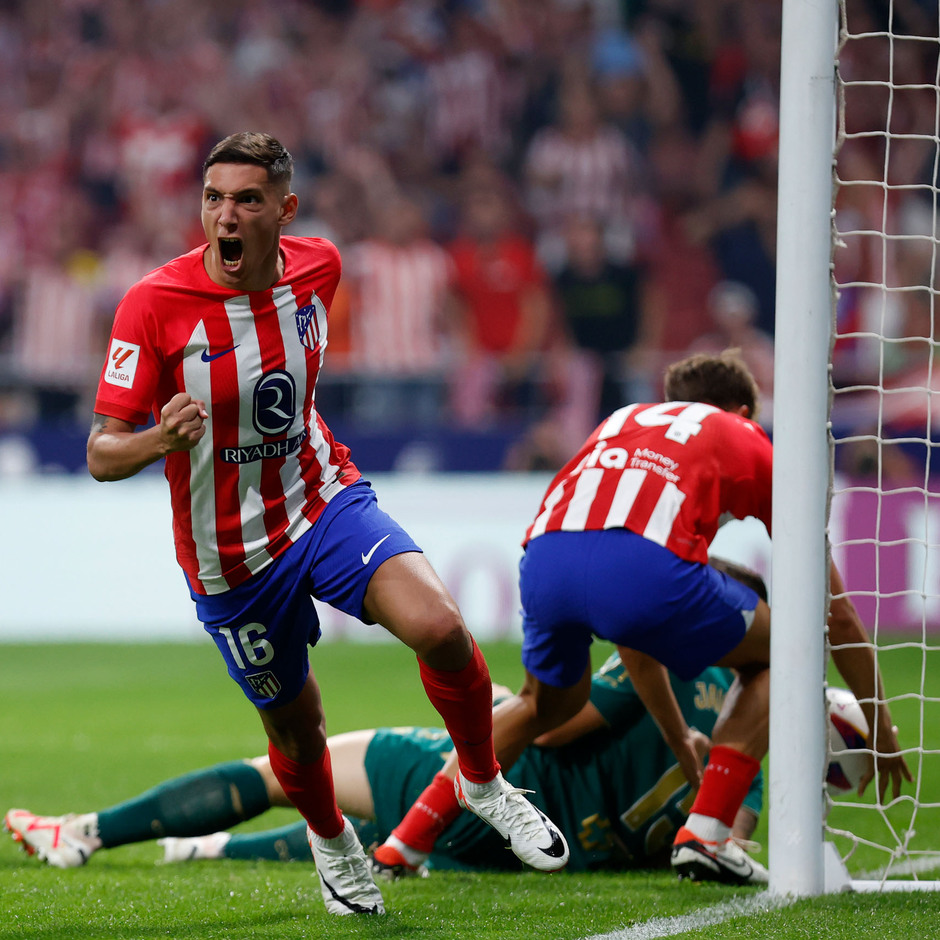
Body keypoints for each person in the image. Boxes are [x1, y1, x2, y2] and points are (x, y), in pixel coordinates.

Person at [83, 132, 567, 917]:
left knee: (442, 626)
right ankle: (333, 840)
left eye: (245, 200)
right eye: (213, 199)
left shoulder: (321, 266)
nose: (225, 216)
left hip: (323, 501)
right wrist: (158, 439)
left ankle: (481, 781)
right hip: (230, 559)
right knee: (300, 730)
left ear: (284, 208)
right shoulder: (153, 304)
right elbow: (103, 454)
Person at [374, 350, 912, 886]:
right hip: (642, 567)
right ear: (744, 411)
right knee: (788, 650)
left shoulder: (626, 420)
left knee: (543, 703)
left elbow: (633, 638)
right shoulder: (746, 439)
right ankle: (707, 833)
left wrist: (681, 740)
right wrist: (881, 726)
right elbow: (834, 618)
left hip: (544, 558)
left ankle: (405, 844)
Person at [4, 564, 764, 874]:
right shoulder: (742, 738)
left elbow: (557, 728)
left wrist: (507, 703)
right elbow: (722, 831)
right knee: (356, 844)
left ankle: (83, 832)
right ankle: (200, 852)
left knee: (288, 774)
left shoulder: (661, 665)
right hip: (534, 849)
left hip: (494, 788)